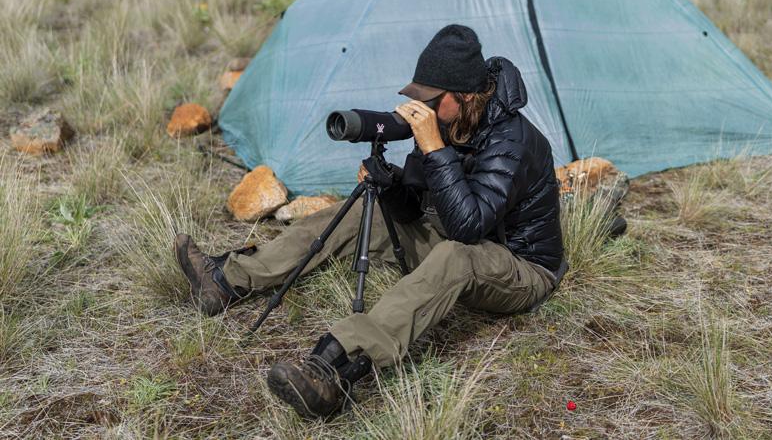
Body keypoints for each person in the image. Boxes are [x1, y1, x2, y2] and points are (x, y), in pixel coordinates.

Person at [174, 24, 565, 418]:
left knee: (454, 256)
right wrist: (391, 184)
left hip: (520, 267)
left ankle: (333, 370)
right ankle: (227, 280)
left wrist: (434, 148)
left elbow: (469, 228)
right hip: (456, 238)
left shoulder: (514, 141)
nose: (422, 109)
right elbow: (413, 209)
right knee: (368, 209)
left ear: (463, 95)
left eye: (431, 99)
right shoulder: (444, 121)